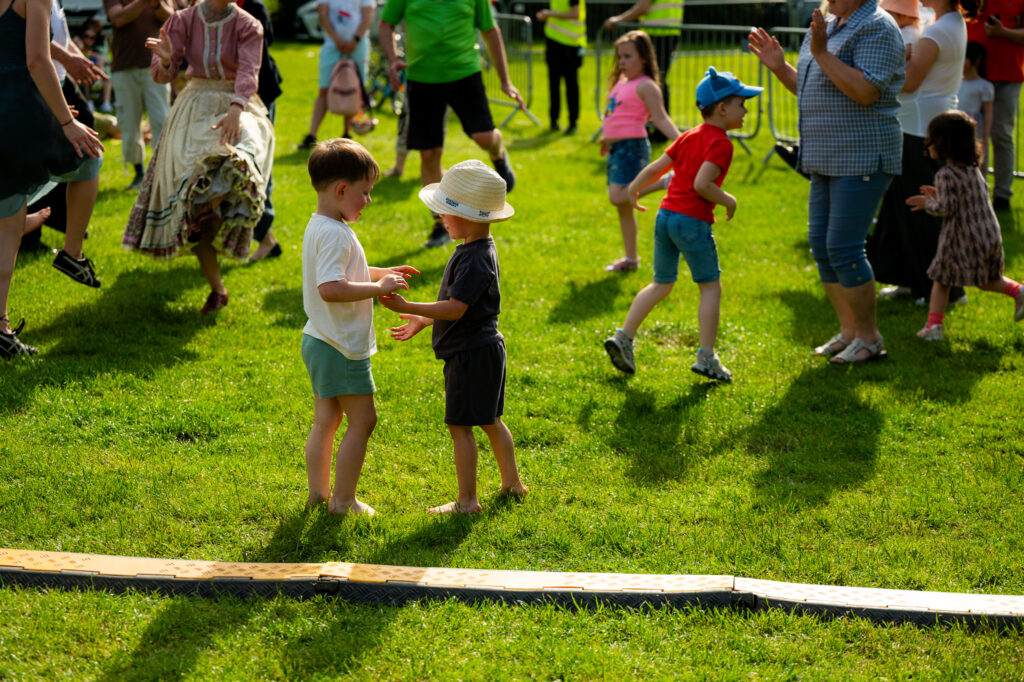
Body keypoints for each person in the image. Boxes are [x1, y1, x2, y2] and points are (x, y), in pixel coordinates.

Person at [749, 1, 904, 365]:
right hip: (826, 155)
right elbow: (813, 90)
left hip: (863, 152)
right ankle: (850, 333)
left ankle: (869, 338)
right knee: (822, 245)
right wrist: (779, 68)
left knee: (844, 247)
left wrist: (818, 51)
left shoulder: (878, 27)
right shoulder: (829, 24)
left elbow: (866, 92)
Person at [380, 160, 528, 514]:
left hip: (469, 354)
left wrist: (407, 303)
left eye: (445, 213)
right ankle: (512, 484)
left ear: (471, 217)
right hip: (484, 349)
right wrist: (420, 319)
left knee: (460, 426)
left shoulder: (475, 259)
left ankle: (467, 501)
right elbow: (464, 308)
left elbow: (455, 309)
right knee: (490, 420)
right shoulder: (476, 250)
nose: (441, 219)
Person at [603, 67, 761, 383]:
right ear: (722, 108)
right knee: (710, 286)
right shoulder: (721, 144)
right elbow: (703, 185)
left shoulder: (688, 136)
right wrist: (729, 199)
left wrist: (633, 189)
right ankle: (707, 357)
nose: (745, 110)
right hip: (692, 222)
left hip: (666, 218)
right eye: (741, 104)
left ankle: (624, 337)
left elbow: (657, 168)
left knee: (661, 283)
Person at [122, 0, 275, 315]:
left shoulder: (249, 25)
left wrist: (235, 110)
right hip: (194, 103)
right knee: (190, 196)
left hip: (239, 103)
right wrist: (167, 62)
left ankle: (214, 207)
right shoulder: (182, 20)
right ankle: (218, 288)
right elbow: (162, 76)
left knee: (239, 155)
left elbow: (249, 72)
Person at [301, 138, 418, 515]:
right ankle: (343, 501)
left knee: (327, 420)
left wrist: (382, 273)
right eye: (365, 193)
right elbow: (331, 288)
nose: (368, 201)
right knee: (364, 419)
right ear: (341, 190)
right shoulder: (336, 233)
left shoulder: (321, 224)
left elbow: (341, 272)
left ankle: (320, 494)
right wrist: (378, 288)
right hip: (341, 345)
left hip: (319, 339)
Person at [1, 0, 105, 359]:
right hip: (22, 109)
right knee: (89, 156)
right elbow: (37, 60)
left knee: (8, 221)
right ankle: (72, 252)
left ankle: (0, 326)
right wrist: (64, 121)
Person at [379, 0, 525, 248]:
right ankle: (440, 223)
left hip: (464, 73)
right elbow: (386, 24)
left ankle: (498, 153)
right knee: (429, 154)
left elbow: (490, 31)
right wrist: (393, 59)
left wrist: (505, 80)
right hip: (422, 78)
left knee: (484, 138)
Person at [868, 0, 969, 306]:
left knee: (922, 211)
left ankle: (947, 290)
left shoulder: (937, 30)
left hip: (921, 131)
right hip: (920, 128)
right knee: (902, 208)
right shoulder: (946, 24)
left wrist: (896, 63)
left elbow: (909, 83)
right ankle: (907, 278)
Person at [906, 110, 1024, 339]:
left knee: (940, 280)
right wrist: (940, 195)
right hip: (987, 235)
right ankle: (1019, 291)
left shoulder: (946, 174)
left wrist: (929, 203)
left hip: (961, 240)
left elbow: (946, 209)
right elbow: (964, 199)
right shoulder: (972, 170)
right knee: (987, 280)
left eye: (932, 139)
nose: (928, 144)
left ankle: (933, 328)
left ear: (944, 144)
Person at [601, 30, 679, 273]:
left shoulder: (646, 86)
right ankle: (631, 259)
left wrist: (682, 142)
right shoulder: (622, 83)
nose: (621, 62)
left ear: (643, 58)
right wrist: (607, 139)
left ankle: (666, 181)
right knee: (623, 206)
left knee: (617, 196)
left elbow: (661, 119)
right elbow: (615, 116)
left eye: (627, 56)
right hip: (617, 149)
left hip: (631, 148)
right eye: (619, 57)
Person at [103, 0, 173, 190]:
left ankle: (161, 173)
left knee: (161, 119)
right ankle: (139, 174)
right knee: (129, 123)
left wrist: (157, 4)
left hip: (156, 64)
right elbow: (118, 18)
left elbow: (171, 18)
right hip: (124, 66)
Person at [967, 1, 1024, 211]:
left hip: (1008, 75)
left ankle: (1001, 196)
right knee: (974, 134)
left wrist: (1003, 31)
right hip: (972, 77)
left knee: (1001, 134)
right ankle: (975, 191)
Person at [239, 0, 284, 262]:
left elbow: (262, 48)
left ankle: (264, 235)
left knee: (257, 167)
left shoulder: (254, 7)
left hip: (260, 95)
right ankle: (265, 237)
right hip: (229, 96)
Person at [297, 0, 373, 149]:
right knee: (324, 88)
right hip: (332, 44)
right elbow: (323, 14)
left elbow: (368, 15)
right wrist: (337, 39)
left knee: (353, 88)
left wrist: (355, 39)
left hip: (358, 44)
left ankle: (346, 134)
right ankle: (312, 135)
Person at [604, 0, 682, 122]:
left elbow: (643, 7)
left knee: (650, 80)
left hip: (655, 33)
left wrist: (618, 20)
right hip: (671, 32)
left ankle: (653, 123)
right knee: (658, 79)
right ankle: (656, 123)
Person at [536, 0, 585, 134]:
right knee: (554, 84)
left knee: (571, 85)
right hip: (553, 41)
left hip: (570, 44)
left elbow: (576, 13)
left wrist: (549, 14)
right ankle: (553, 120)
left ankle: (573, 121)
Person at [958, 41, 994, 168]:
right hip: (956, 125)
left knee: (974, 160)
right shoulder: (956, 82)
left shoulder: (984, 86)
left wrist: (985, 136)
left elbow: (988, 112)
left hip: (974, 127)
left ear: (974, 61)